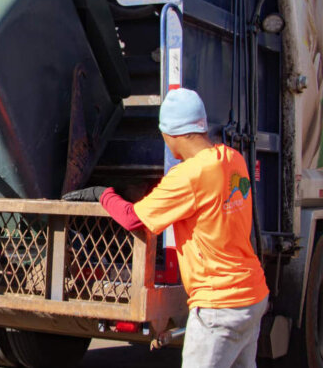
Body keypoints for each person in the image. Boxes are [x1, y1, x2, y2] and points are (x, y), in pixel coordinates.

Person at [98, 88, 269, 368]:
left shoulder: (188, 176)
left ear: (172, 135)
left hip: (219, 306)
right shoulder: (233, 159)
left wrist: (102, 195)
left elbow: (132, 218)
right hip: (251, 295)